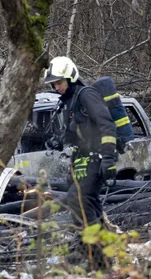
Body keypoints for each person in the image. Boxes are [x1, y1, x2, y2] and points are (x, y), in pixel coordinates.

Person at [43, 56, 118, 266]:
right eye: (54, 83)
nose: (56, 87)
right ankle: (98, 251)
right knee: (88, 203)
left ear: (71, 78)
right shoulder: (70, 101)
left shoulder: (87, 95)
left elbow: (107, 125)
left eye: (59, 82)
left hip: (97, 158)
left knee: (80, 201)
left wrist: (109, 158)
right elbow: (78, 132)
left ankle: (95, 255)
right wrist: (59, 141)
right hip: (82, 159)